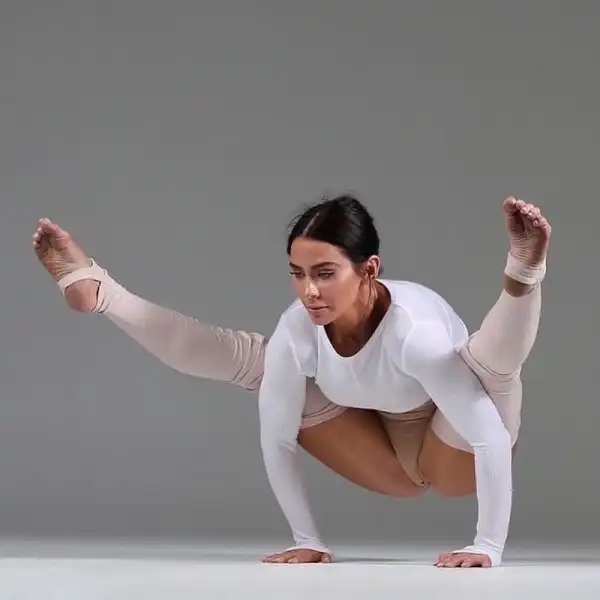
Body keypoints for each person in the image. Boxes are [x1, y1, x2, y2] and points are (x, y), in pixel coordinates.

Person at [32, 195, 550, 568]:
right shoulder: (298, 329)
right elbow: (276, 438)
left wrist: (487, 546)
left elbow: (487, 437)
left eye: (324, 273)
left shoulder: (415, 335)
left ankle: (523, 275)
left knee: (490, 366)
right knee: (259, 363)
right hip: (388, 462)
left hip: (456, 448)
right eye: (297, 273)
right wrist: (307, 539)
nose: (308, 291)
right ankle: (104, 294)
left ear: (369, 269)